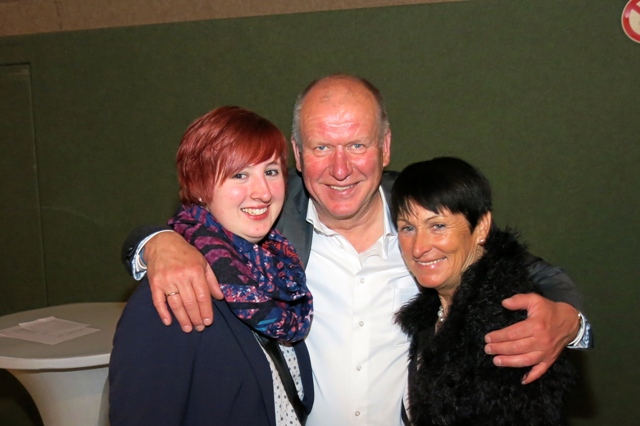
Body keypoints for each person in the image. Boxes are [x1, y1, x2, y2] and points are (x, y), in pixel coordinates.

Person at [121, 74, 591, 425]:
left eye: (357, 145)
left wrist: (569, 320)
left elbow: (533, 271)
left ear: (384, 147)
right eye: (322, 147)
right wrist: (156, 243)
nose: (341, 169)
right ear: (297, 154)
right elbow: (202, 217)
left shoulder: (424, 223)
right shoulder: (269, 219)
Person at [109, 106, 314, 425]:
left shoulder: (278, 268)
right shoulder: (173, 292)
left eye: (271, 172)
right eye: (240, 175)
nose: (262, 192)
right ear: (200, 186)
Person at [392, 157, 575, 425]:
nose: (418, 248)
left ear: (481, 227)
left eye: (438, 226)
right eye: (408, 228)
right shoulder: (433, 311)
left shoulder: (508, 324)